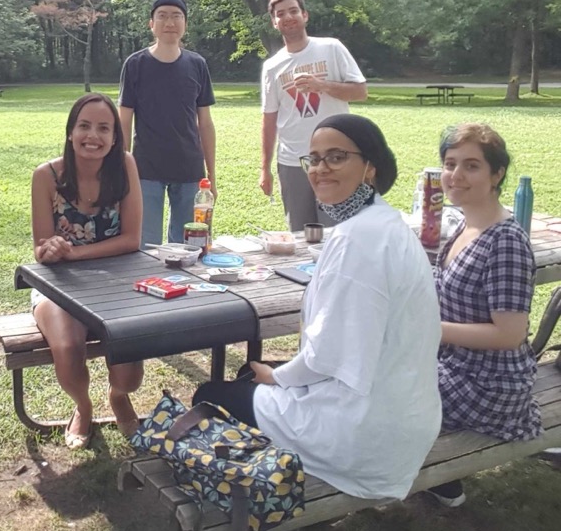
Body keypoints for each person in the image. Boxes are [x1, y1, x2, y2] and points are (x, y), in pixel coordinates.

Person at [192, 114, 442, 499]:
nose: (320, 169)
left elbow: (327, 356)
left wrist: (275, 377)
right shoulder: (387, 225)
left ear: (370, 168)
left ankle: (271, 508)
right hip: (405, 415)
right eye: (314, 159)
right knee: (249, 375)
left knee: (210, 395)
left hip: (364, 433)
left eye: (337, 157)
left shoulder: (358, 240)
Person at [426, 123, 541, 508]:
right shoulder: (466, 223)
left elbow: (509, 334)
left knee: (380, 391)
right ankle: (440, 476)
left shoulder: (505, 240)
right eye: (450, 163)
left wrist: (429, 330)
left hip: (490, 385)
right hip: (456, 367)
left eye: (471, 166)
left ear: (497, 174)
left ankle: (433, 474)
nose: (456, 175)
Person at [31, 93, 144, 446]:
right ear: (70, 132)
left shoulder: (125, 166)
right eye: (84, 126)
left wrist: (76, 254)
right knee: (67, 347)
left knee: (129, 364)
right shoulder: (46, 176)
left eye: (103, 128)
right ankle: (83, 407)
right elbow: (40, 248)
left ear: (114, 138)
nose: (92, 136)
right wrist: (51, 250)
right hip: (60, 285)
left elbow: (131, 240)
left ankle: (119, 396)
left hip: (116, 280)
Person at [259, 0, 368, 231]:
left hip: (336, 157)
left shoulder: (331, 48)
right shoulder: (272, 66)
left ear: (305, 15)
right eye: (280, 14)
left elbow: (360, 92)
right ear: (274, 22)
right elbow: (269, 118)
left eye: (293, 11)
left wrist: (322, 85)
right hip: (293, 160)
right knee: (300, 233)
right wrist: (265, 169)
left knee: (337, 230)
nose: (288, 17)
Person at [119, 0, 216, 247]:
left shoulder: (197, 65)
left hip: (189, 169)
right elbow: (124, 121)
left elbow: (205, 123)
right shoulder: (135, 65)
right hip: (145, 169)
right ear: (151, 24)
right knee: (145, 247)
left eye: (176, 16)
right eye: (162, 16)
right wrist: (121, 168)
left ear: (185, 23)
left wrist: (212, 176)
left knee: (190, 246)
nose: (170, 22)